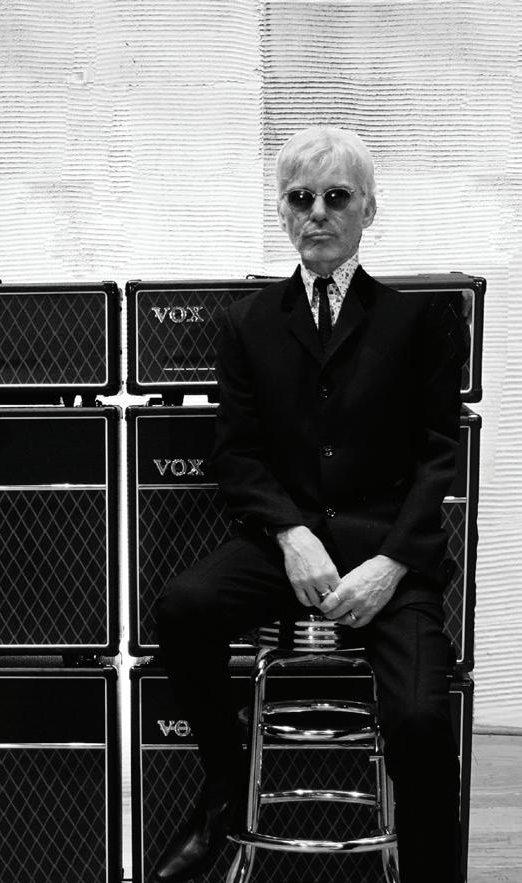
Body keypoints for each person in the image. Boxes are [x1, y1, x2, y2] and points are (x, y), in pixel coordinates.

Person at [153, 126, 467, 883]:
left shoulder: (418, 321)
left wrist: (391, 564)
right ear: (282, 211)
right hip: (286, 544)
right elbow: (237, 454)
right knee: (182, 609)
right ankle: (223, 787)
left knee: (422, 717)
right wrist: (290, 535)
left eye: (336, 197)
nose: (317, 213)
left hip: (389, 552)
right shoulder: (246, 322)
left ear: (368, 210)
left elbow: (439, 457)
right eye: (300, 198)